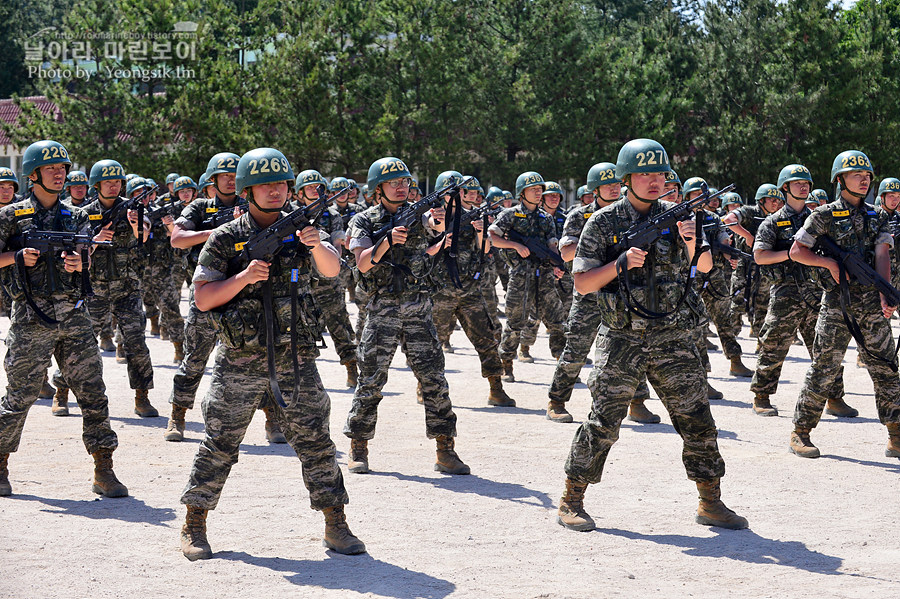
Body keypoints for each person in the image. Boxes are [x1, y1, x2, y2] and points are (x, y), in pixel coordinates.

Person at [179, 147, 364, 560]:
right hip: (240, 357)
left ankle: (336, 523)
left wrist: (316, 246)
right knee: (220, 442)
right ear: (248, 191)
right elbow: (204, 298)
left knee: (316, 440)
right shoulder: (225, 237)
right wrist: (244, 277)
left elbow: (333, 271)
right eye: (266, 184)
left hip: (294, 356)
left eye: (282, 183)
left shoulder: (303, 229)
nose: (277, 190)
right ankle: (194, 523)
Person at [556, 139, 747, 532]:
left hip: (673, 336)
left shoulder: (679, 218)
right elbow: (583, 285)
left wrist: (692, 240)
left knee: (697, 420)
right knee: (603, 422)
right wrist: (620, 263)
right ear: (627, 179)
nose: (654, 181)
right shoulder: (603, 222)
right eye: (644, 174)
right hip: (622, 336)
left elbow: (706, 266)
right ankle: (571, 498)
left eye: (660, 173)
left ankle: (710, 501)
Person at [0, 140, 127, 498]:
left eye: (63, 168)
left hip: (74, 317)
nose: (60, 173)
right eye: (52, 168)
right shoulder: (10, 216)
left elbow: (84, 255)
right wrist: (16, 257)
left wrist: (79, 263)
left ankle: (104, 469)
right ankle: (0, 463)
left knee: (93, 394)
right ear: (34, 174)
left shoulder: (77, 215)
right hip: (30, 318)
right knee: (19, 397)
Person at [343, 157, 469, 475]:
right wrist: (386, 242)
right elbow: (362, 264)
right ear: (377, 188)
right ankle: (358, 445)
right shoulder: (364, 220)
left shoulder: (419, 217)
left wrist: (438, 225)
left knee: (434, 380)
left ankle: (445, 449)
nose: (402, 187)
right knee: (370, 381)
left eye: (405, 182)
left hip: (418, 307)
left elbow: (435, 232)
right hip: (381, 308)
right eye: (394, 182)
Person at [788, 150, 900, 458]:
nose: (864, 181)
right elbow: (798, 251)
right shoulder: (823, 215)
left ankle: (895, 434)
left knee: (887, 369)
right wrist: (829, 264)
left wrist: (886, 292)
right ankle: (800, 432)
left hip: (870, 307)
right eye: (856, 176)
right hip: (838, 304)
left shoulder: (877, 215)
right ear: (840, 180)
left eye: (867, 177)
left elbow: (882, 254)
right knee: (824, 369)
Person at [547, 162, 660, 424]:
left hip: (622, 294)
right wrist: (604, 250)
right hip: (590, 296)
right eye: (606, 185)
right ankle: (557, 400)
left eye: (615, 184)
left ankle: (637, 402)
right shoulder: (580, 216)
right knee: (576, 348)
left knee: (634, 346)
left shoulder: (629, 213)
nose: (613, 189)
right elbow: (566, 253)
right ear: (594, 190)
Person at [79, 159, 157, 417]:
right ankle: (62, 391)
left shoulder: (132, 208)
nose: (113, 187)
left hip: (127, 287)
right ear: (96, 185)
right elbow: (75, 251)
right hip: (93, 289)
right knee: (80, 345)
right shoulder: (82, 213)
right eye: (107, 182)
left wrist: (137, 226)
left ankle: (142, 397)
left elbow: (145, 236)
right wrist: (95, 240)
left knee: (137, 342)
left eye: (117, 182)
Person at [430, 173, 515, 407]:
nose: (462, 197)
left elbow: (485, 249)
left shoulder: (473, 216)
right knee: (432, 342)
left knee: (486, 338)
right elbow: (432, 230)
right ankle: (426, 387)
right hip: (440, 290)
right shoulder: (434, 215)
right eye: (454, 193)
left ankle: (496, 388)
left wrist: (481, 231)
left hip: (469, 289)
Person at [489, 172, 566, 382]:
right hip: (520, 276)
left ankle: (564, 366)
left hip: (545, 277)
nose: (539, 192)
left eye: (540, 188)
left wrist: (556, 262)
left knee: (558, 321)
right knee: (515, 322)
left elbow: (552, 244)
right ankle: (506, 363)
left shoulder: (546, 217)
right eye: (534, 189)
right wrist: (515, 245)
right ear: (522, 193)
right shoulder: (510, 214)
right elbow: (493, 237)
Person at [294, 170, 358, 387]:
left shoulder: (332, 215)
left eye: (318, 186)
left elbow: (338, 248)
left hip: (328, 283)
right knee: (302, 330)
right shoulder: (291, 215)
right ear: (300, 193)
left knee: (339, 326)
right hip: (301, 283)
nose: (314, 190)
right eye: (309, 187)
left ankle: (351, 366)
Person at [723, 186, 783, 338]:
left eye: (778, 200)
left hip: (763, 269)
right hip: (744, 267)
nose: (776, 203)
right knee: (736, 305)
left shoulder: (775, 217)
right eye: (772, 199)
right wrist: (748, 236)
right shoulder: (749, 211)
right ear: (761, 199)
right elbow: (729, 219)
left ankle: (759, 340)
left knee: (762, 305)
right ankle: (732, 342)